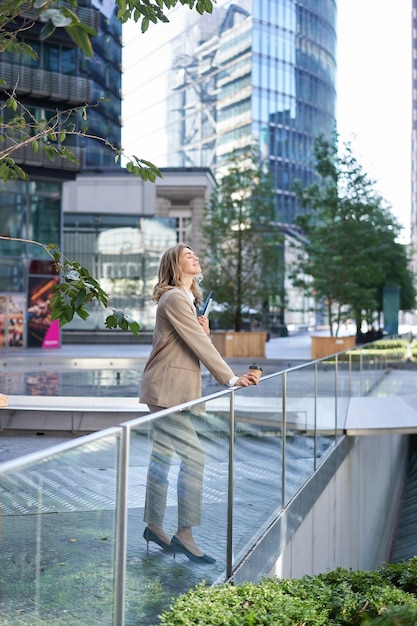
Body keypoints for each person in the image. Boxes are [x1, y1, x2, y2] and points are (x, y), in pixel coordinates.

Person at [140, 243, 259, 564]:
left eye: (195, 253)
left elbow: (191, 343)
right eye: (187, 254)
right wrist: (231, 378)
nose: (194, 256)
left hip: (170, 389)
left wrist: (203, 331)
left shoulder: (183, 301)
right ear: (175, 266)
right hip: (168, 391)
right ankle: (185, 533)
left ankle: (154, 525)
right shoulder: (176, 298)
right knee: (195, 457)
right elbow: (197, 346)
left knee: (162, 457)